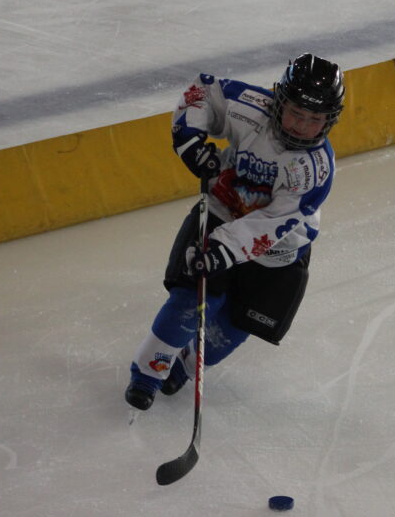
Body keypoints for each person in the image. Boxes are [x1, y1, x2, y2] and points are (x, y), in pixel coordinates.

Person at [125, 53, 345, 411]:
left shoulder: (315, 170)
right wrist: (190, 143)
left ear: (330, 120)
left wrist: (221, 252)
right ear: (279, 100)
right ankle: (148, 374)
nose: (301, 126)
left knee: (230, 330)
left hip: (278, 252)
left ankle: (182, 367)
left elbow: (271, 222)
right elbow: (204, 90)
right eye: (295, 112)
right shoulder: (251, 107)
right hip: (222, 214)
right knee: (191, 301)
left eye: (315, 119)